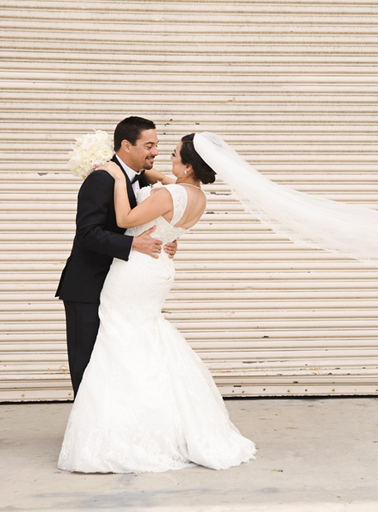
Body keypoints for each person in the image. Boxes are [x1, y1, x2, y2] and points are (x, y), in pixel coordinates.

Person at [58, 134, 256, 473]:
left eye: (176, 154)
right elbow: (161, 184)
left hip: (135, 270)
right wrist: (129, 167)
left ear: (190, 165)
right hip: (160, 266)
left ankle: (122, 430)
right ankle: (157, 423)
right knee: (144, 338)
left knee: (120, 340)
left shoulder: (168, 193)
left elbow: (124, 220)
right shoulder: (197, 196)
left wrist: (118, 177)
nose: (167, 158)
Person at [56, 117, 177, 396]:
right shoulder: (101, 179)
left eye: (156, 145)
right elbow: (87, 234)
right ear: (126, 146)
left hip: (122, 286)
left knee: (113, 360)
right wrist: (133, 243)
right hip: (88, 285)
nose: (155, 152)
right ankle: (85, 433)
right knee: (87, 361)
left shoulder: (143, 178)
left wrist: (163, 242)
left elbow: (143, 225)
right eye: (149, 145)